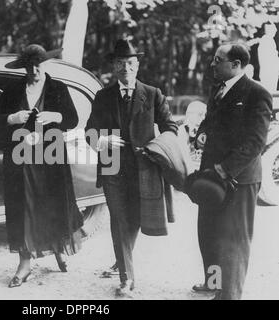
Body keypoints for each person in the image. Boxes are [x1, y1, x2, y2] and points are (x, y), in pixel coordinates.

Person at [85, 39, 178, 297]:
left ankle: (122, 259)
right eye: (120, 63)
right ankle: (127, 278)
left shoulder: (153, 93)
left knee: (134, 218)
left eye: (130, 63)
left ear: (137, 65)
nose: (125, 67)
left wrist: (155, 146)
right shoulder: (103, 96)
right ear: (114, 66)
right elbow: (88, 132)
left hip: (143, 168)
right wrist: (102, 140)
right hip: (113, 167)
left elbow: (171, 127)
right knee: (119, 218)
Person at [0, 44, 83, 288]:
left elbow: (72, 119)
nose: (35, 69)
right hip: (20, 158)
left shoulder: (57, 88)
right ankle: (24, 264)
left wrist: (55, 117)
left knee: (52, 203)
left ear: (46, 63)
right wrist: (13, 118)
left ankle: (58, 249)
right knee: (23, 208)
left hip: (50, 156)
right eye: (30, 65)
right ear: (24, 67)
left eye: (39, 64)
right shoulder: (13, 90)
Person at [193, 43, 272, 300]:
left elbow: (255, 142)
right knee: (209, 233)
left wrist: (224, 169)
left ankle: (229, 296)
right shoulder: (218, 88)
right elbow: (208, 121)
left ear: (236, 65)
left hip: (239, 179)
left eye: (218, 60)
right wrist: (202, 134)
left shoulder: (256, 93)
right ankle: (214, 284)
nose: (212, 64)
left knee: (234, 240)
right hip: (211, 178)